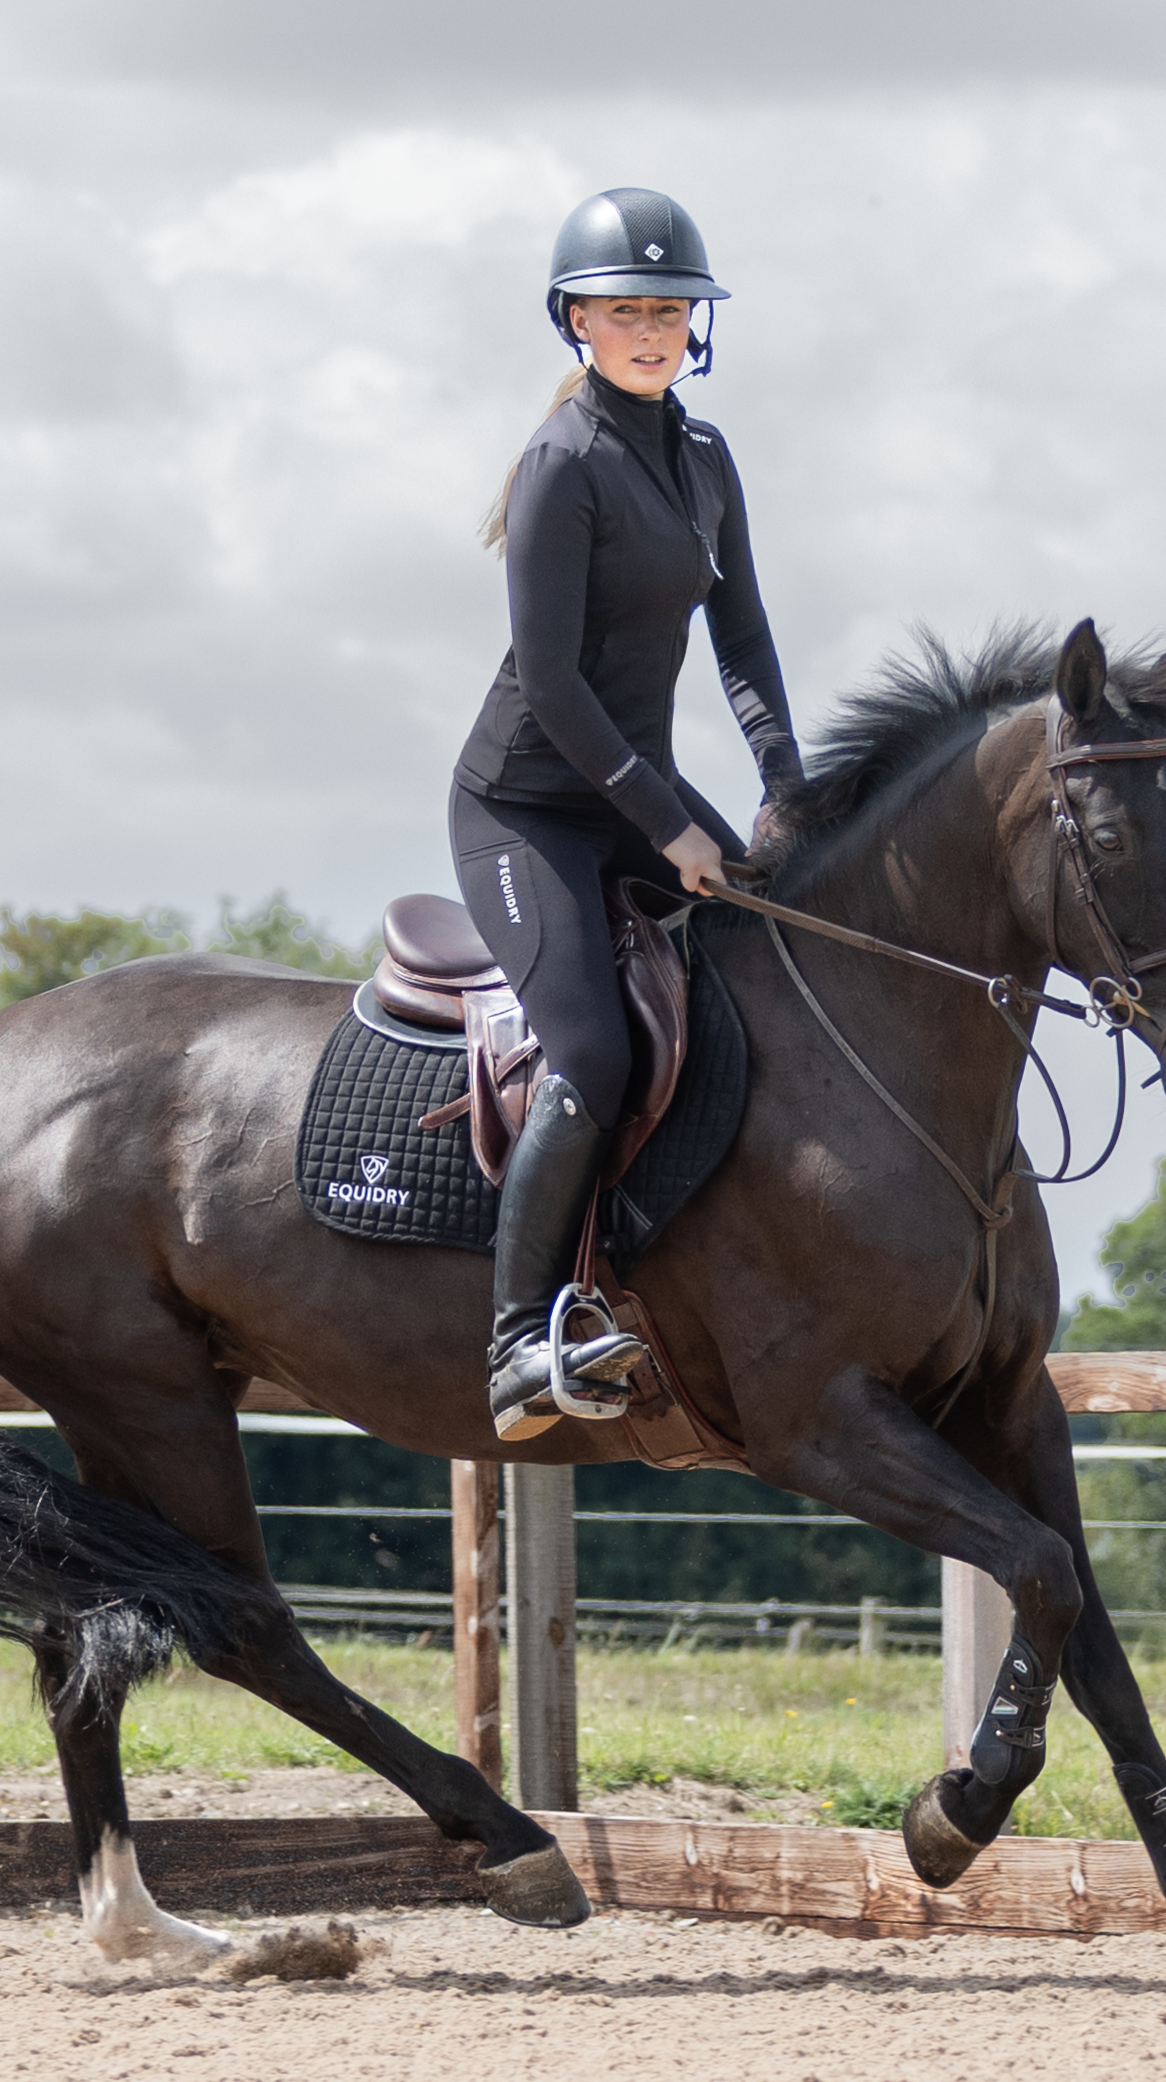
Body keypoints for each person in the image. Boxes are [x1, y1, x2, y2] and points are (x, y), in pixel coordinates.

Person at [454, 185, 800, 1441]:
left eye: (668, 311)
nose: (650, 331)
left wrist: (785, 786)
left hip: (628, 793)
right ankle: (515, 1342)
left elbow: (743, 636)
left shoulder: (703, 460)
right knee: (595, 1056)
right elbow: (552, 687)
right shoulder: (561, 465)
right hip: (526, 809)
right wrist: (671, 826)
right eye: (624, 312)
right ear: (576, 323)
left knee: (776, 958)